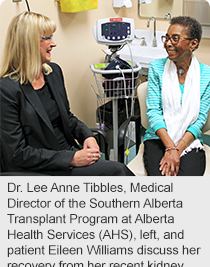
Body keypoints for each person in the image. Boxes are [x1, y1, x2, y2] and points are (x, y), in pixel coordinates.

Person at [0, 11, 134, 176]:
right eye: (47, 38)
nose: (54, 43)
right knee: (118, 172)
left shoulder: (53, 72)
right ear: (28, 43)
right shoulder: (6, 90)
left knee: (116, 173)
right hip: (40, 168)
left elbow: (68, 118)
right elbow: (17, 153)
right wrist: (71, 158)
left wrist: (87, 136)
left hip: (68, 154)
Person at [143, 16, 210, 176]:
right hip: (158, 139)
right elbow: (153, 112)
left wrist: (177, 149)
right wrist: (170, 147)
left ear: (193, 43)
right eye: (166, 38)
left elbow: (200, 118)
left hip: (189, 140)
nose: (167, 43)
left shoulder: (206, 75)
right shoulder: (156, 68)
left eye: (175, 38)